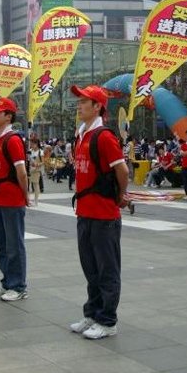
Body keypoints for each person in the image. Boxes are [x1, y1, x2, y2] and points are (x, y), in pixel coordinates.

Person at [69, 85, 130, 340]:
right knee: (90, 268)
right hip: (85, 212)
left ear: (98, 107)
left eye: (85, 101)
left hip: (104, 215)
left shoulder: (103, 137)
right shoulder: (81, 135)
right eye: (79, 101)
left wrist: (119, 197)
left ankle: (107, 320)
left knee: (107, 270)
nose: (79, 105)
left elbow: (123, 171)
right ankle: (92, 313)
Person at [0, 97, 29, 302]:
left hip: (11, 199)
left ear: (8, 116)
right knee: (1, 244)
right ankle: (7, 281)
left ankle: (18, 286)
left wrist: (25, 195)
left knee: (14, 244)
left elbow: (21, 171)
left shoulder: (12, 139)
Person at [28, 138, 44, 206]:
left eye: (32, 144)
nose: (31, 145)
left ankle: (36, 201)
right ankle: (28, 199)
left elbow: (43, 162)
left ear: (36, 144)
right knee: (28, 185)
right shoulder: (30, 151)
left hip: (36, 170)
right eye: (30, 143)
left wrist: (37, 164)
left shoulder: (40, 151)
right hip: (30, 170)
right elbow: (28, 160)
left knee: (35, 184)